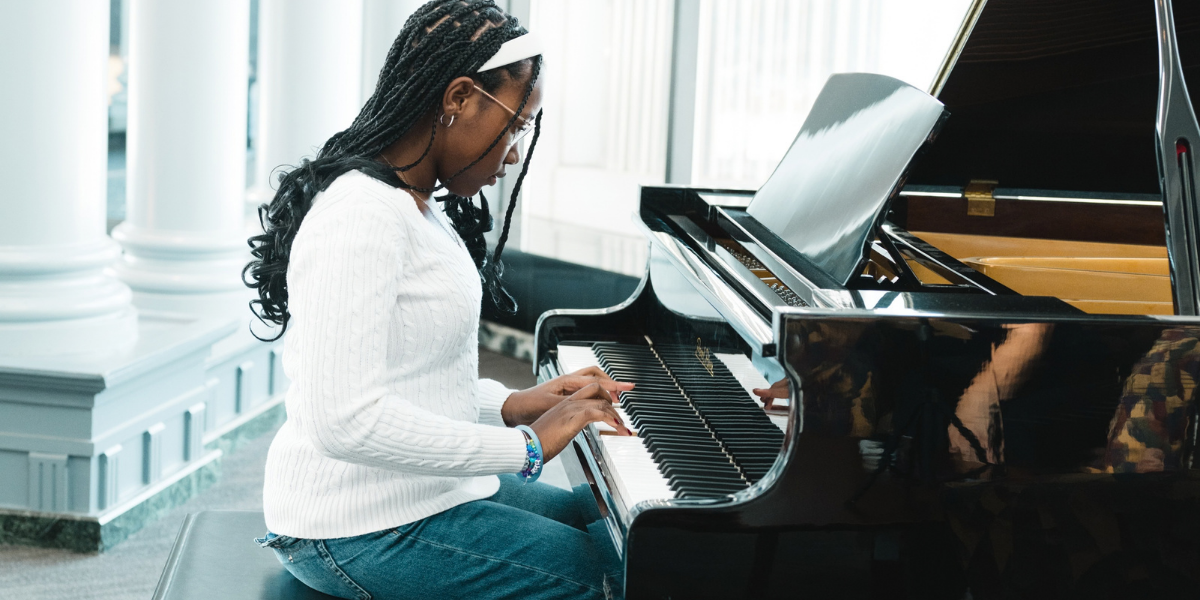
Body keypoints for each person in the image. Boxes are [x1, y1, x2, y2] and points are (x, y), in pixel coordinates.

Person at [243, 2, 634, 598]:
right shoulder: (360, 215)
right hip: (352, 524)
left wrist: (510, 405)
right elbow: (344, 419)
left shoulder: (416, 205)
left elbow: (409, 375)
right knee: (611, 577)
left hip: (420, 490)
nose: (516, 151)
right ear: (458, 98)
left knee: (618, 527)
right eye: (517, 123)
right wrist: (524, 448)